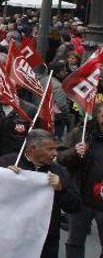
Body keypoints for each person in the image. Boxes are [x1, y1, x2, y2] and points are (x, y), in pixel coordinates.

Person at [0, 129, 81, 258]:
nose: (55, 154)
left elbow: (75, 206)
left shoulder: (59, 171)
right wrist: (4, 177)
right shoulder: (7, 162)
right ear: (32, 148)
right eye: (50, 149)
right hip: (11, 234)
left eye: (56, 149)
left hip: (46, 238)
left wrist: (61, 189)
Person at [58, 102, 103, 258]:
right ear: (97, 116)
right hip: (81, 197)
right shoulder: (81, 133)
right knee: (75, 241)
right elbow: (61, 158)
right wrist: (75, 152)